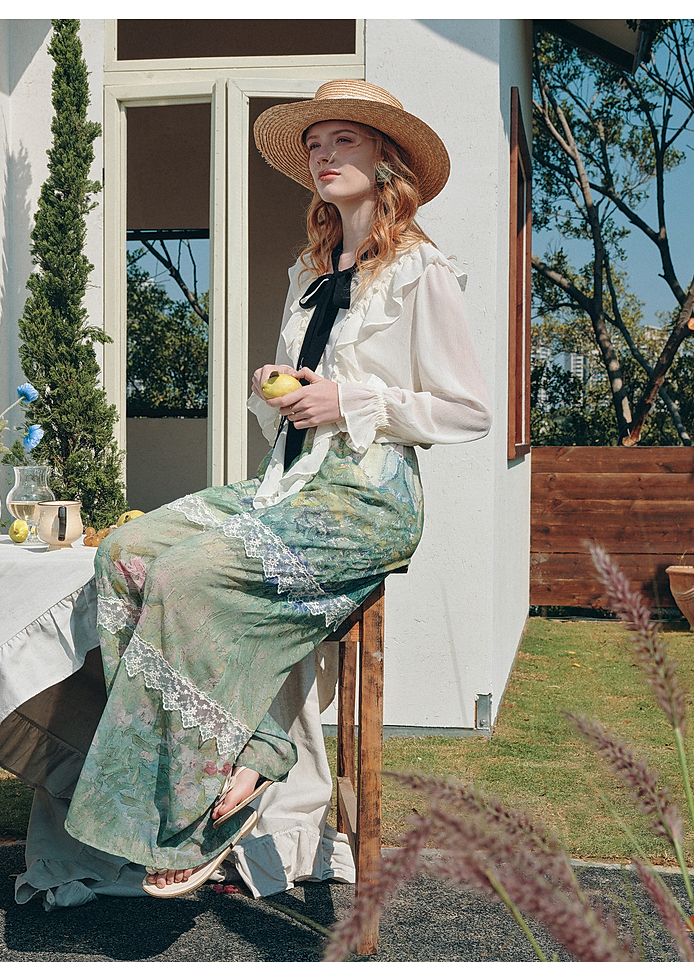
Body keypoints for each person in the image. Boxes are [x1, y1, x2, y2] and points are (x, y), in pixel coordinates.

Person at [63, 79, 491, 898]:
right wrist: (281, 386)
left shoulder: (420, 270)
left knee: (189, 575)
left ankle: (195, 819)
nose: (324, 157)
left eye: (343, 141)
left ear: (385, 157)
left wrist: (350, 400)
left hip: (365, 501)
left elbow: (468, 410)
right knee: (123, 553)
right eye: (315, 145)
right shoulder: (310, 271)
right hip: (286, 482)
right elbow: (307, 394)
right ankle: (256, 744)